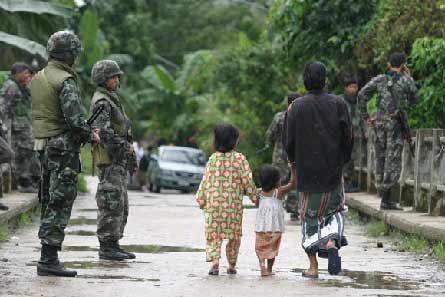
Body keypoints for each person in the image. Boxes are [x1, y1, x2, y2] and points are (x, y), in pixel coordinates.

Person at [29, 31, 100, 277]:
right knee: (60, 202)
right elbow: (74, 119)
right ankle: (48, 260)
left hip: (43, 145)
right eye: (74, 54)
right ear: (68, 54)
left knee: (48, 200)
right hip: (62, 149)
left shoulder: (38, 77)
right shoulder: (65, 81)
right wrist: (90, 134)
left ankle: (47, 256)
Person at [286, 61, 353, 278]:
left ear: (305, 80)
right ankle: (332, 241)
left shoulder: (296, 107)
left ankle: (313, 267)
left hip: (307, 173)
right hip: (332, 170)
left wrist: (293, 163)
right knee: (333, 211)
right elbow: (348, 137)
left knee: (310, 217)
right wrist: (342, 159)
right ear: (325, 80)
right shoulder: (339, 103)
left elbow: (289, 141)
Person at [196, 123, 258, 276]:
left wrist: (201, 199)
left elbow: (205, 181)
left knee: (213, 235)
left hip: (214, 207)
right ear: (234, 141)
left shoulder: (212, 159)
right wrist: (256, 198)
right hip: (233, 208)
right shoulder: (240, 159)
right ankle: (231, 265)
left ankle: (215, 262)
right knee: (233, 237)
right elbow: (248, 181)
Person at [358, 52, 418, 210]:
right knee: (393, 160)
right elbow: (414, 101)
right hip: (395, 124)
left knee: (381, 157)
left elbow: (362, 94)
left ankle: (384, 197)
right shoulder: (406, 81)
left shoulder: (380, 79)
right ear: (403, 65)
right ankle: (386, 200)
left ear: (389, 64)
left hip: (379, 124)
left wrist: (366, 117)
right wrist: (409, 77)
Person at [90, 59, 137, 261]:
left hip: (117, 160)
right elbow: (104, 133)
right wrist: (125, 147)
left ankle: (113, 244)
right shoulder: (102, 101)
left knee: (119, 204)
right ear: (104, 79)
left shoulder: (111, 98)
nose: (117, 80)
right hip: (110, 159)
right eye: (113, 76)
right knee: (110, 202)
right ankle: (107, 246)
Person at [0, 63, 40, 192]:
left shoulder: (21, 86)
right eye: (26, 73)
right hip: (14, 127)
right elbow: (3, 108)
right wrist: (5, 128)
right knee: (21, 152)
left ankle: (30, 179)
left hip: (22, 125)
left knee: (28, 150)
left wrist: (27, 85)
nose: (28, 76)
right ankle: (23, 181)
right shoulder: (10, 86)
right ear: (18, 73)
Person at [255, 163, 296, 277]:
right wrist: (293, 168)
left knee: (261, 246)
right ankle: (269, 269)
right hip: (275, 227)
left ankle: (262, 264)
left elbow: (257, 204)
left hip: (261, 226)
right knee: (272, 248)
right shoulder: (279, 192)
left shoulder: (259, 193)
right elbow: (293, 184)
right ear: (276, 181)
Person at [265, 94, 299, 221]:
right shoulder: (301, 118)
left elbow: (270, 134)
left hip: (280, 155)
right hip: (295, 155)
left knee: (277, 182)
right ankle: (294, 210)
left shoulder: (279, 117)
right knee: (294, 181)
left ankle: (274, 209)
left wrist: (269, 143)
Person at [340, 78, 366, 193]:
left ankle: (348, 183)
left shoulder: (358, 102)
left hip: (356, 136)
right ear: (345, 88)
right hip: (342, 136)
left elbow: (362, 118)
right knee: (343, 159)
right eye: (351, 87)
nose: (354, 90)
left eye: (355, 87)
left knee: (352, 159)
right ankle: (343, 183)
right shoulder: (339, 101)